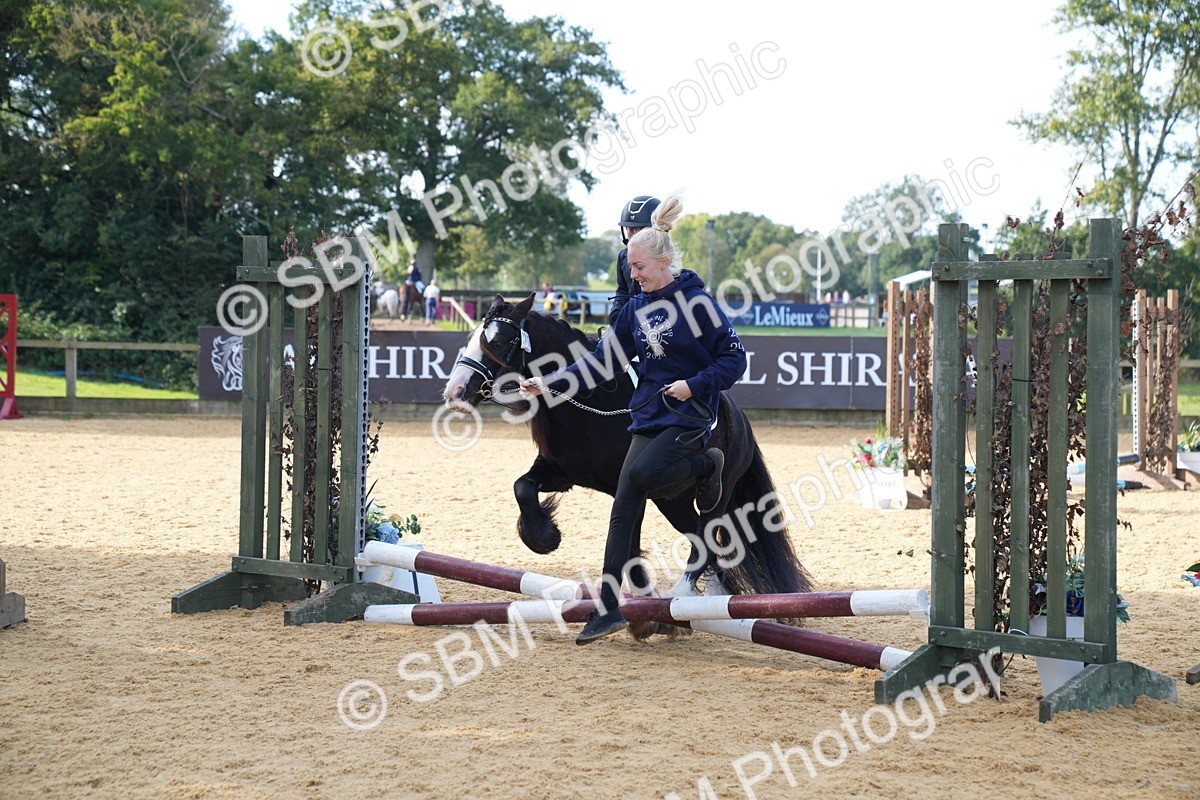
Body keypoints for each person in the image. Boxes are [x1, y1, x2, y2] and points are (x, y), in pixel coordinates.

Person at [520, 195, 747, 645]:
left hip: (689, 414)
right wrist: (550, 384)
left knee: (641, 475)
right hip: (648, 414)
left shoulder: (698, 303)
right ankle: (608, 608)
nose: (633, 276)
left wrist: (694, 385)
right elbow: (601, 362)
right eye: (630, 268)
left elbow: (734, 360)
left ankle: (708, 465)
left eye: (639, 268)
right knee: (623, 506)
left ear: (663, 263)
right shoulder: (633, 310)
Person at [608, 194, 661, 327]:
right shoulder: (623, 257)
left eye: (639, 228)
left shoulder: (664, 258)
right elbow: (623, 289)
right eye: (629, 229)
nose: (633, 234)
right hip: (632, 319)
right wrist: (617, 310)